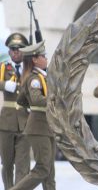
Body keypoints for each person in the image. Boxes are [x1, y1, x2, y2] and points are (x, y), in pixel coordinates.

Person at [10, 40, 56, 190]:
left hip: (47, 127)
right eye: (43, 56)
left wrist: (31, 107)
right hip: (38, 128)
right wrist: (56, 100)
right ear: (35, 59)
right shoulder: (35, 79)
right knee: (42, 168)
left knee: (49, 172)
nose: (46, 58)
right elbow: (36, 99)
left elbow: (21, 100)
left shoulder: (43, 77)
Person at [0, 33, 30, 190]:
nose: (16, 52)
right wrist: (4, 85)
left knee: (23, 165)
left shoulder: (31, 69)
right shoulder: (4, 67)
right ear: (9, 51)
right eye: (13, 49)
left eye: (19, 49)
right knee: (7, 164)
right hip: (7, 122)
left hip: (26, 121)